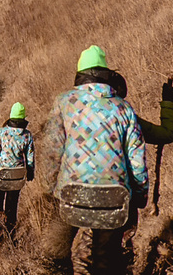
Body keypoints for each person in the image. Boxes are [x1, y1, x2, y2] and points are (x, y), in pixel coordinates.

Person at [46, 45, 151, 273]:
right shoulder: (124, 109)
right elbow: (137, 158)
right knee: (106, 257)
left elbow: (54, 150)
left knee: (58, 251)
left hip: (72, 192)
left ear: (80, 72)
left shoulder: (64, 103)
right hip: (113, 195)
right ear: (107, 74)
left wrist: (52, 187)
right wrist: (140, 195)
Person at [0, 102, 34, 233]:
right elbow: (30, 157)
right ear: (23, 118)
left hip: (0, 175)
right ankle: (11, 232)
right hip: (17, 176)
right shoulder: (27, 135)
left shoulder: (1, 133)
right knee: (12, 206)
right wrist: (30, 172)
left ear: (11, 116)